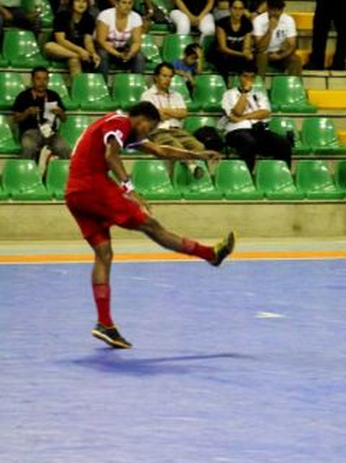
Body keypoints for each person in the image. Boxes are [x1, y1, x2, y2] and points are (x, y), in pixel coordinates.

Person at [64, 102, 234, 349]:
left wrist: (198, 155)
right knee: (152, 227)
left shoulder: (119, 128)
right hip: (93, 186)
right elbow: (110, 156)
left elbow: (160, 150)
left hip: (74, 193)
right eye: (150, 127)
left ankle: (105, 323)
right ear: (141, 119)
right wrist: (130, 189)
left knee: (103, 254)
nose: (149, 132)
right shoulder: (120, 121)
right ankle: (210, 254)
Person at [141, 62, 206, 178]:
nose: (168, 80)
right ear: (156, 77)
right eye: (164, 76)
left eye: (170, 77)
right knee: (176, 146)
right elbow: (156, 117)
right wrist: (173, 113)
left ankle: (192, 174)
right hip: (158, 132)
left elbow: (183, 113)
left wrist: (165, 110)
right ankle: (192, 167)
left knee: (199, 146)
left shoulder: (177, 95)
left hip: (177, 131)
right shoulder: (147, 95)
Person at [220, 65, 291, 172]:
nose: (248, 80)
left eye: (251, 77)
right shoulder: (229, 94)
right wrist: (244, 93)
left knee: (283, 143)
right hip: (236, 131)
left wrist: (243, 117)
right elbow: (238, 111)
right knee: (249, 141)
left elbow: (265, 113)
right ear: (239, 77)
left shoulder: (260, 94)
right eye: (245, 76)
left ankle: (281, 174)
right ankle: (247, 174)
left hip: (258, 130)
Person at [12, 67, 70, 167]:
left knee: (64, 148)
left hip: (50, 133)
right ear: (32, 80)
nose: (42, 82)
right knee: (28, 147)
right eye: (38, 79)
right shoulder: (24, 96)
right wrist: (27, 112)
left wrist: (60, 112)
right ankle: (26, 173)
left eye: (45, 79)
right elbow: (16, 119)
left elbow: (64, 119)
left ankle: (66, 174)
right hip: (30, 132)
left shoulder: (53, 95)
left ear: (48, 80)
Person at [44, 0, 101, 77]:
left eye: (84, 1)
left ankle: (78, 85)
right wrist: (80, 52)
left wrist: (93, 53)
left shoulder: (89, 19)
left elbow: (88, 41)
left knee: (74, 60)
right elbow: (61, 40)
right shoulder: (62, 16)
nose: (81, 4)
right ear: (72, 3)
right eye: (78, 0)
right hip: (60, 49)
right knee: (49, 46)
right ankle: (78, 56)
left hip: (76, 52)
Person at [95, 0, 146, 80]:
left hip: (123, 50)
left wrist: (130, 53)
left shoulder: (136, 17)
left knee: (139, 56)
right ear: (116, 3)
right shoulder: (105, 15)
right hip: (106, 49)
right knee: (102, 54)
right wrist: (117, 54)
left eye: (130, 3)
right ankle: (103, 83)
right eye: (124, 2)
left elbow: (137, 42)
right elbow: (101, 40)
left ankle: (137, 84)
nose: (127, 6)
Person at [253, 0, 302, 78]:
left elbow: (292, 46)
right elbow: (260, 48)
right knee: (261, 57)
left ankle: (294, 85)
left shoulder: (288, 20)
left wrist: (280, 56)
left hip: (280, 53)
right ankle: (259, 84)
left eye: (279, 10)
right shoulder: (259, 20)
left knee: (295, 59)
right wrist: (270, 30)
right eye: (273, 10)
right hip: (264, 53)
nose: (276, 13)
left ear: (282, 10)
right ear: (268, 9)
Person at [209, 0, 254, 79]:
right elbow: (223, 48)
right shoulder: (221, 23)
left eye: (240, 9)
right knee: (222, 59)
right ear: (230, 9)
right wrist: (242, 54)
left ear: (244, 10)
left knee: (249, 61)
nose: (237, 12)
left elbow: (246, 46)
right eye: (235, 8)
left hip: (237, 53)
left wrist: (247, 52)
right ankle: (225, 84)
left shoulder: (247, 24)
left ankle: (245, 85)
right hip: (222, 53)